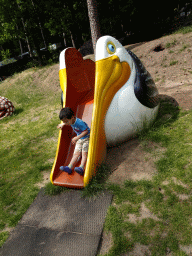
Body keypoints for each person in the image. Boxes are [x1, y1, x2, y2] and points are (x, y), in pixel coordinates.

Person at [57, 107, 90, 175]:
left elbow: (86, 131)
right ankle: (69, 167)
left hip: (87, 138)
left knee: (84, 153)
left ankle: (81, 167)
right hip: (80, 139)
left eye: (66, 121)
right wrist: (62, 124)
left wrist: (77, 137)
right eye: (64, 121)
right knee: (76, 153)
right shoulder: (71, 121)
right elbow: (67, 122)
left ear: (72, 117)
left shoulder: (79, 122)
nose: (66, 123)